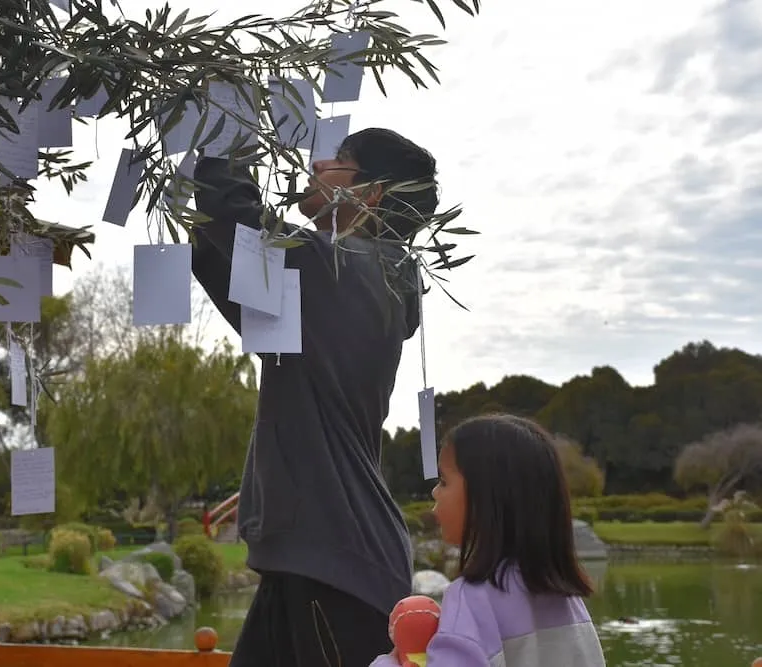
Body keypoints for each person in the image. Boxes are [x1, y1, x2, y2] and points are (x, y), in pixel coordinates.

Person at [189, 128, 439, 666]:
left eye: (340, 160)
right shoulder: (339, 279)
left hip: (338, 560)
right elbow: (224, 249)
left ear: (369, 193)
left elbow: (236, 218)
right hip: (313, 556)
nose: (319, 161)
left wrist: (221, 127)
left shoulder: (348, 268)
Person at [371, 414, 606, 667]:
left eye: (444, 481)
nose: (434, 492)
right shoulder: (568, 600)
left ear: (485, 500)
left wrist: (391, 661)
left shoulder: (473, 597)